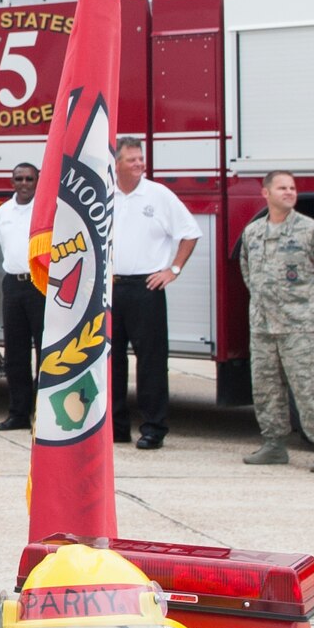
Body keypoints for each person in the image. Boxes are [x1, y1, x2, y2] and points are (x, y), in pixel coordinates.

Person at [238, 171, 314, 473]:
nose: (289, 192)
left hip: (302, 327)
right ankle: (274, 445)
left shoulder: (312, 232)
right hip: (263, 326)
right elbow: (249, 272)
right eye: (282, 188)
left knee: (311, 387)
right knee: (266, 388)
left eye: (293, 188)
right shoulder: (253, 233)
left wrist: (308, 303)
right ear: (266, 193)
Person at [110, 138, 201, 450]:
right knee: (112, 361)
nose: (138, 164)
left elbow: (190, 233)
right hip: (112, 287)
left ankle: (153, 428)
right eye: (131, 160)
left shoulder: (159, 195)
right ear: (117, 163)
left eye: (140, 159)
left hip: (145, 288)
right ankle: (116, 427)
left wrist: (172, 270)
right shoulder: (105, 193)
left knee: (150, 361)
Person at [0, 162, 42, 431]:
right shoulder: (3, 212)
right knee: (15, 354)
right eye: (19, 178)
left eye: (29, 179)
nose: (24, 183)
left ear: (38, 181)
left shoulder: (47, 210)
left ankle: (43, 415)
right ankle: (18, 414)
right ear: (12, 182)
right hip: (13, 284)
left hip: (40, 284)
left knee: (45, 352)